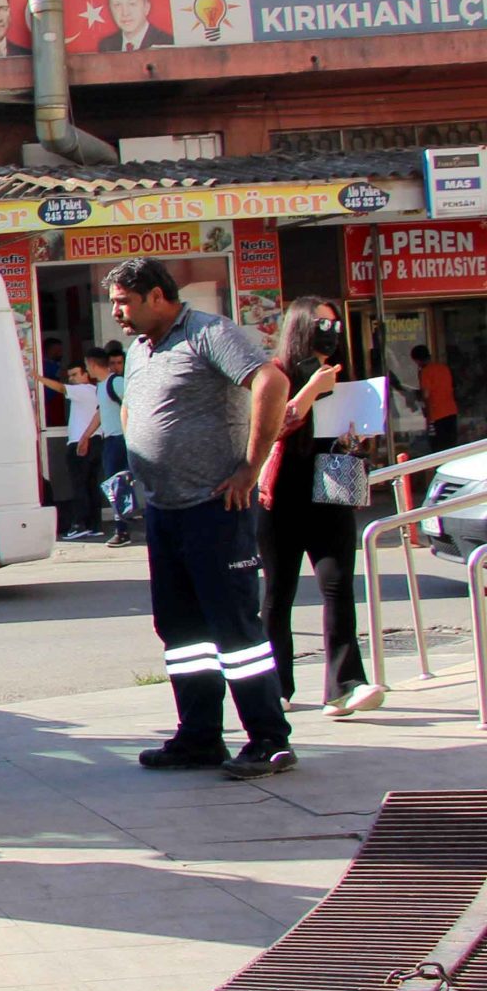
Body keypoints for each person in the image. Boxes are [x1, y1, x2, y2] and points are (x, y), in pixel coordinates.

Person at [107, 258, 294, 777]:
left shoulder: (209, 333)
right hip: (165, 512)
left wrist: (249, 470)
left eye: (124, 301)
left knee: (234, 628)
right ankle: (199, 738)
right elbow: (132, 411)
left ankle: (269, 739)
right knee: (182, 632)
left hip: (216, 508)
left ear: (157, 297)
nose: (117, 312)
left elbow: (271, 383)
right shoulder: (139, 350)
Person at [257, 297, 371, 714]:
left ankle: (345, 685)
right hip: (282, 496)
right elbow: (273, 425)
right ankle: (276, 686)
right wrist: (311, 390)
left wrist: (358, 435)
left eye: (336, 324)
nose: (331, 332)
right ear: (302, 326)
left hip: (333, 488)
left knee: (338, 585)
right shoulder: (278, 372)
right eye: (322, 323)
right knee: (278, 592)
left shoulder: (341, 375)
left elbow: (351, 436)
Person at [37, 361, 105, 538]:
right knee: (91, 485)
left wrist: (38, 378)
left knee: (79, 486)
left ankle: (80, 524)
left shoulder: (82, 390)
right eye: (70, 376)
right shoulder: (95, 391)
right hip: (96, 441)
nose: (72, 379)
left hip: (80, 443)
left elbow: (61, 388)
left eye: (75, 374)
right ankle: (94, 525)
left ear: (85, 374)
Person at [98, 343, 134, 545]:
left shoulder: (118, 383)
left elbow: (133, 405)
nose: (115, 366)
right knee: (116, 486)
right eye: (112, 363)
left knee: (121, 486)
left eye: (119, 362)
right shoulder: (103, 386)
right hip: (111, 439)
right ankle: (122, 529)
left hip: (123, 439)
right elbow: (100, 413)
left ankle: (123, 530)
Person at [95, 0, 175, 53]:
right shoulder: (106, 45)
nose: (125, 13)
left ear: (146, 7)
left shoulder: (167, 43)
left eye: (132, 4)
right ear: (110, 10)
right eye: (117, 5)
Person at [415, 345, 459, 451]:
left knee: (438, 446)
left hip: (437, 414)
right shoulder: (444, 368)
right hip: (451, 410)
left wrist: (417, 396)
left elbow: (426, 394)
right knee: (451, 444)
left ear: (417, 361)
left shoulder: (426, 372)